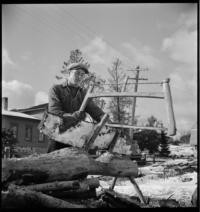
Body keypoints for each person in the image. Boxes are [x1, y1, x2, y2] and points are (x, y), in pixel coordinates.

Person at [47, 62, 105, 153]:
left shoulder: (84, 94)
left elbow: (96, 112)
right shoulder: (56, 89)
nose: (79, 77)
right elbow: (54, 111)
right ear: (69, 73)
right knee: (51, 162)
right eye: (77, 73)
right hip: (58, 134)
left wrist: (107, 121)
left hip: (75, 137)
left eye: (82, 75)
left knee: (75, 162)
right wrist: (72, 116)